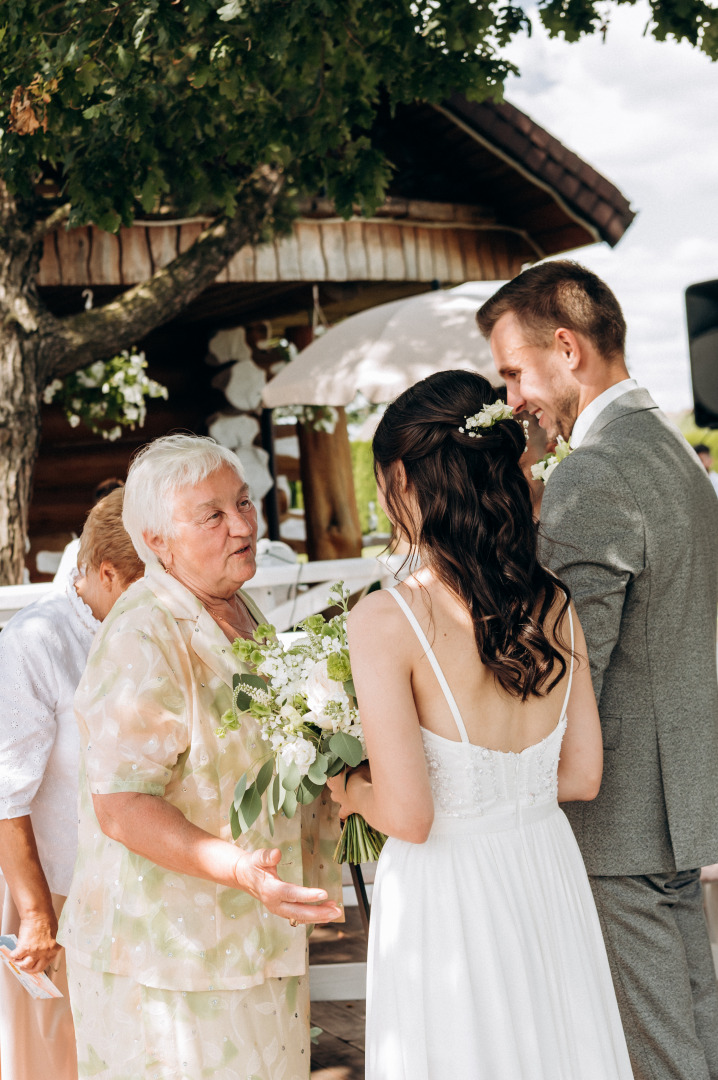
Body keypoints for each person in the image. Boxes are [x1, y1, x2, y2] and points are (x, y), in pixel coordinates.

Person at [328, 370, 633, 1080]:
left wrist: (347, 787)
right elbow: (583, 775)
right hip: (544, 868)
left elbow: (408, 814)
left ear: (406, 481)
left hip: (451, 893)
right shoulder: (554, 603)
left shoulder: (386, 619)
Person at [478, 260, 718, 1080]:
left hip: (613, 815)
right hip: (672, 804)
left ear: (567, 349)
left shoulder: (594, 471)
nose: (512, 398)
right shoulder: (668, 449)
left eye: (513, 371)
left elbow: (567, 666)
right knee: (693, 1029)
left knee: (656, 1053)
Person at [57, 434, 342, 1080]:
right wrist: (242, 870)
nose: (243, 525)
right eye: (212, 515)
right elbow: (122, 806)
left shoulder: (242, 610)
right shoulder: (144, 632)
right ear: (156, 541)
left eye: (243, 503)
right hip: (166, 963)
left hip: (249, 943)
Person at [0, 487, 144, 1080]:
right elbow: (5, 792)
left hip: (137, 885)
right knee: (56, 1058)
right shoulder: (35, 643)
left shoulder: (151, 632)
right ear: (106, 572)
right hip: (51, 885)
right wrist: (36, 914)